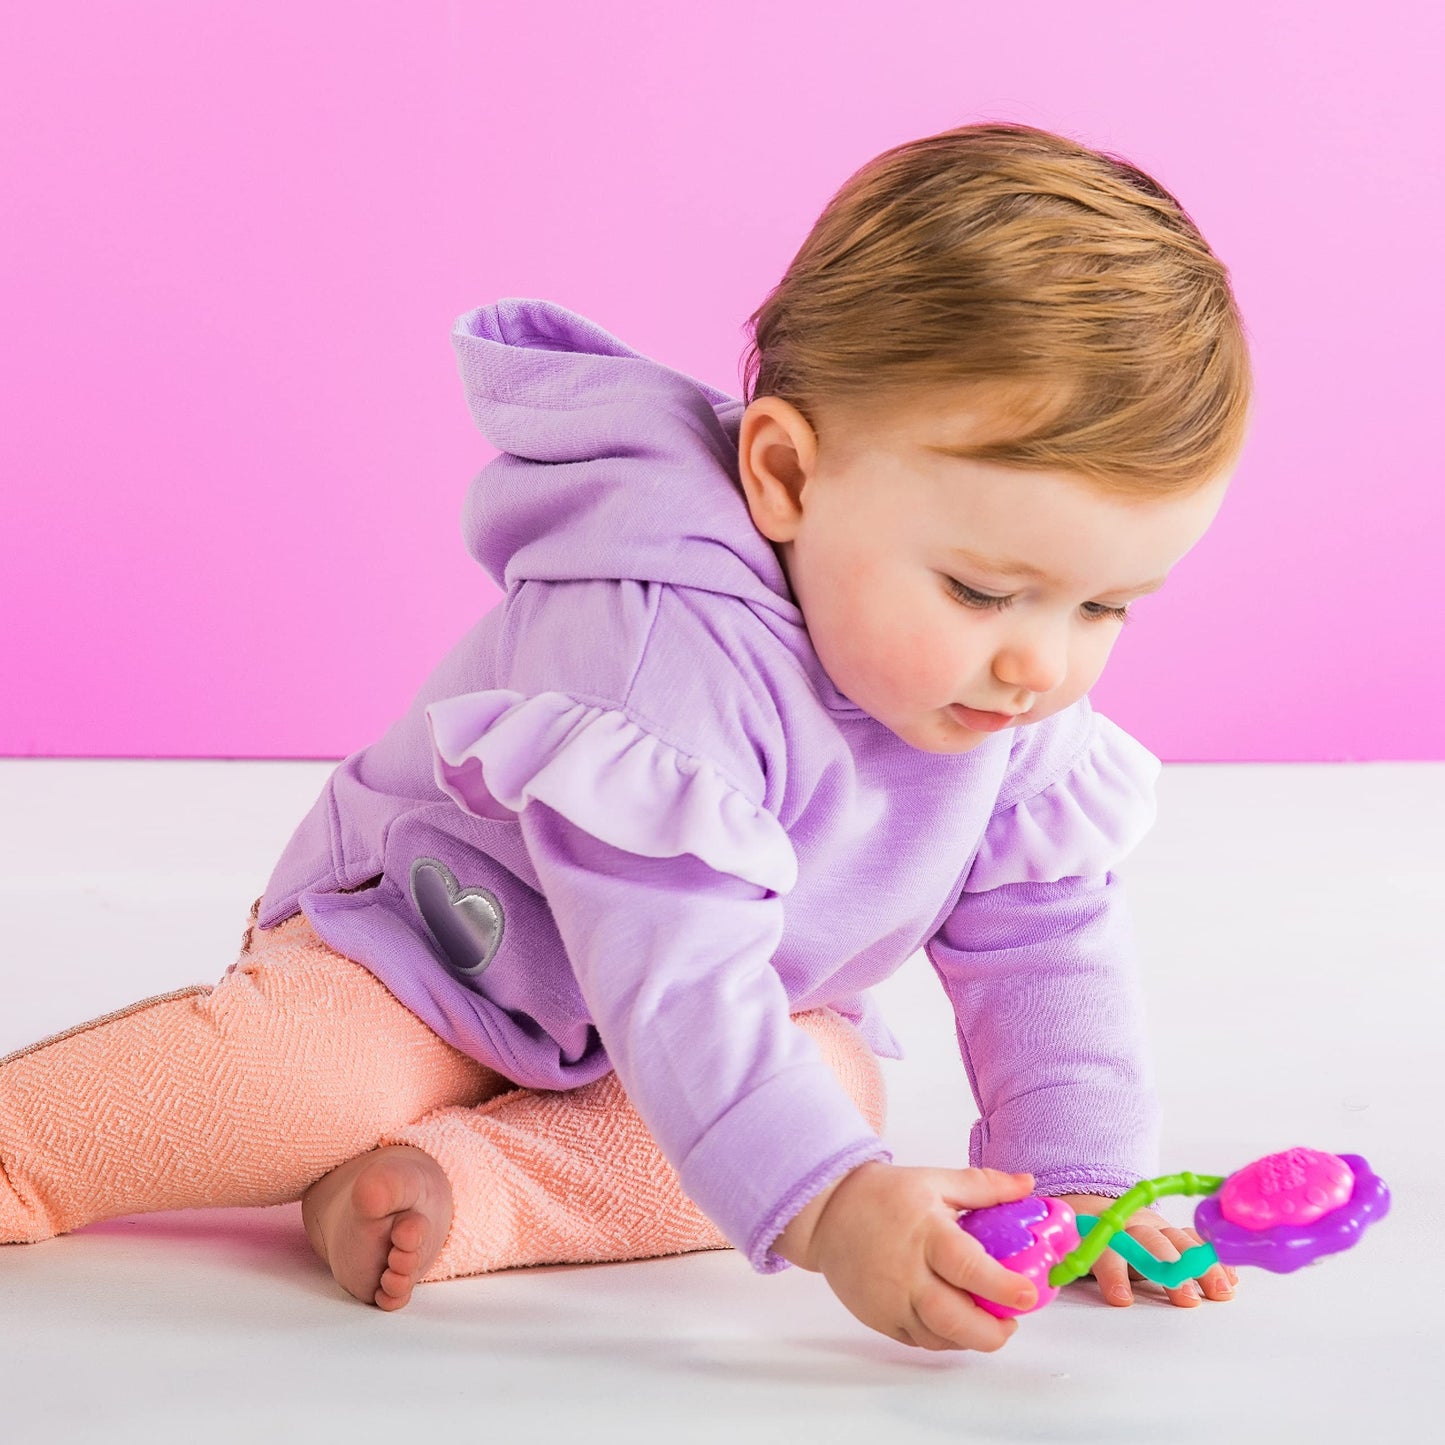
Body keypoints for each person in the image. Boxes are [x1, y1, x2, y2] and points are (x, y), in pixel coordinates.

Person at [0, 122, 1248, 1352]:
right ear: (786, 476)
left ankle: (453, 1191)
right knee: (310, 1083)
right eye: (979, 590)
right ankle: (27, 1146)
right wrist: (830, 1204)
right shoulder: (661, 636)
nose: (1042, 663)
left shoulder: (1002, 692)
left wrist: (1078, 1175)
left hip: (668, 1031)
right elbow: (675, 969)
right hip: (432, 962)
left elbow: (1043, 936)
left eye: (1102, 606)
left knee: (830, 1093)